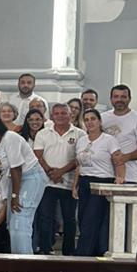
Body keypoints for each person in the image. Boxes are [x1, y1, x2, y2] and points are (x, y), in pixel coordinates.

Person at [0, 113, 47, 254]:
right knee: (12, 224)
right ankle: (17, 259)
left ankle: (26, 262)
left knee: (20, 222)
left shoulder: (10, 137)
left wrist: (15, 196)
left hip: (31, 178)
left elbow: (16, 168)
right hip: (15, 179)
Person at [33, 102, 87, 255]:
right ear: (51, 116)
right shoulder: (43, 133)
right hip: (47, 183)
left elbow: (79, 158)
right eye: (56, 113)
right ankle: (45, 249)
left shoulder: (80, 134)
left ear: (71, 115)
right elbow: (38, 156)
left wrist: (61, 172)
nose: (60, 116)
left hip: (69, 183)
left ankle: (68, 251)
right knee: (45, 217)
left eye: (64, 113)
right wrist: (51, 172)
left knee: (69, 219)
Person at [73, 108, 125, 256]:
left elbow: (119, 161)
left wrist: (120, 178)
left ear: (100, 121)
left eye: (93, 119)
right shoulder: (82, 141)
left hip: (102, 182)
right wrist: (75, 185)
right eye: (87, 120)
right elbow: (79, 165)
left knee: (91, 219)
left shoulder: (109, 140)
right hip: (85, 181)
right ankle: (92, 253)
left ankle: (82, 255)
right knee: (82, 218)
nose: (90, 122)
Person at [100, 86, 137, 184]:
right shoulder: (102, 118)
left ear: (129, 99)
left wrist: (125, 157)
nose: (119, 100)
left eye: (123, 97)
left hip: (129, 176)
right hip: (104, 174)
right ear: (111, 99)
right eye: (116, 96)